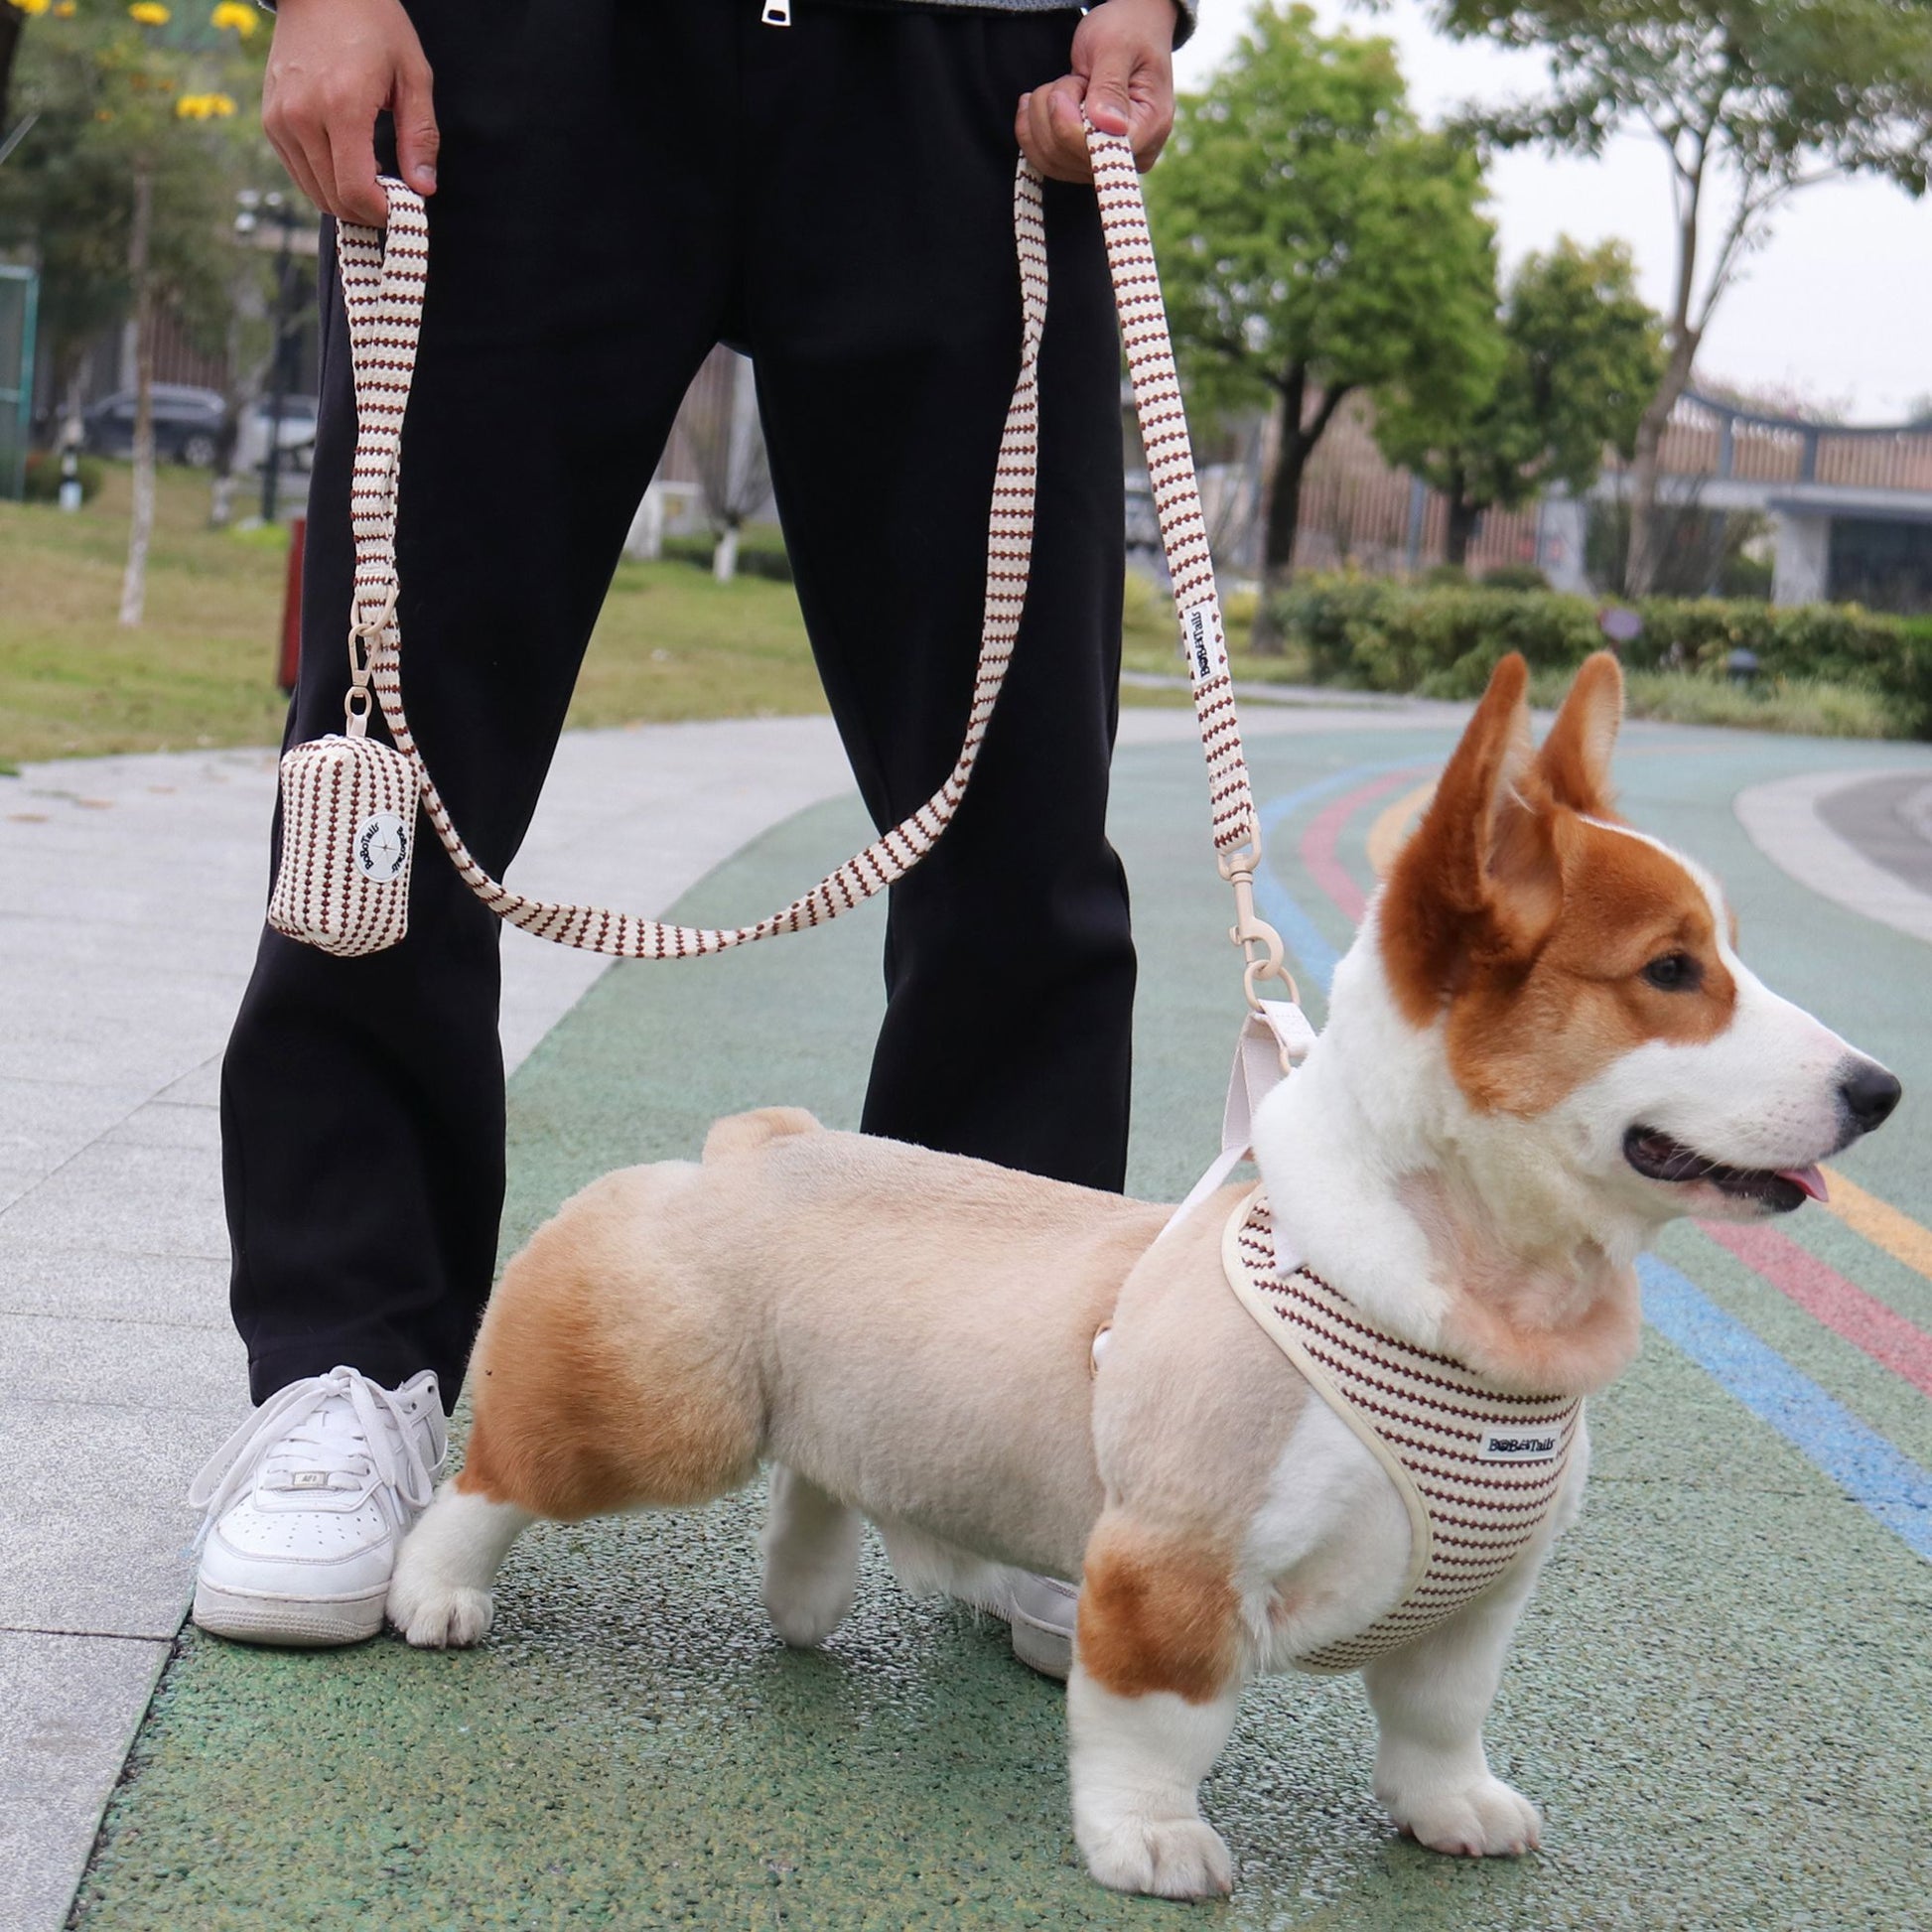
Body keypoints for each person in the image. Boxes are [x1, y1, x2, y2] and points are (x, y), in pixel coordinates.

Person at [188, 0, 1187, 1651]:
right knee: (386, 757)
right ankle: (347, 1367)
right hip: (513, 59)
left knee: (1019, 799)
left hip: (964, 71)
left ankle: (1001, 1419)